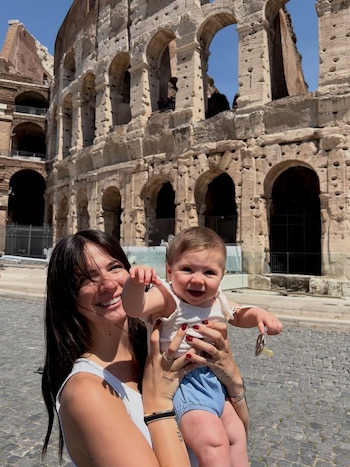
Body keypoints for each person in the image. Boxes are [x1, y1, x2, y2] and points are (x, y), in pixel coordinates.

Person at [41, 229, 248, 467]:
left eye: (114, 267)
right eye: (87, 278)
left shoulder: (158, 348)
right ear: (68, 298)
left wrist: (234, 384)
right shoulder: (87, 393)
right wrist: (158, 404)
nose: (108, 284)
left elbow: (236, 440)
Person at [122, 226, 283, 467]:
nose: (197, 279)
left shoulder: (218, 298)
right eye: (187, 269)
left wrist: (259, 314)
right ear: (169, 270)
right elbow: (135, 308)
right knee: (213, 442)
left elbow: (238, 315)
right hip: (183, 383)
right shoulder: (167, 297)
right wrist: (135, 284)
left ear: (222, 275)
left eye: (209, 272)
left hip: (214, 381)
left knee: (236, 434)